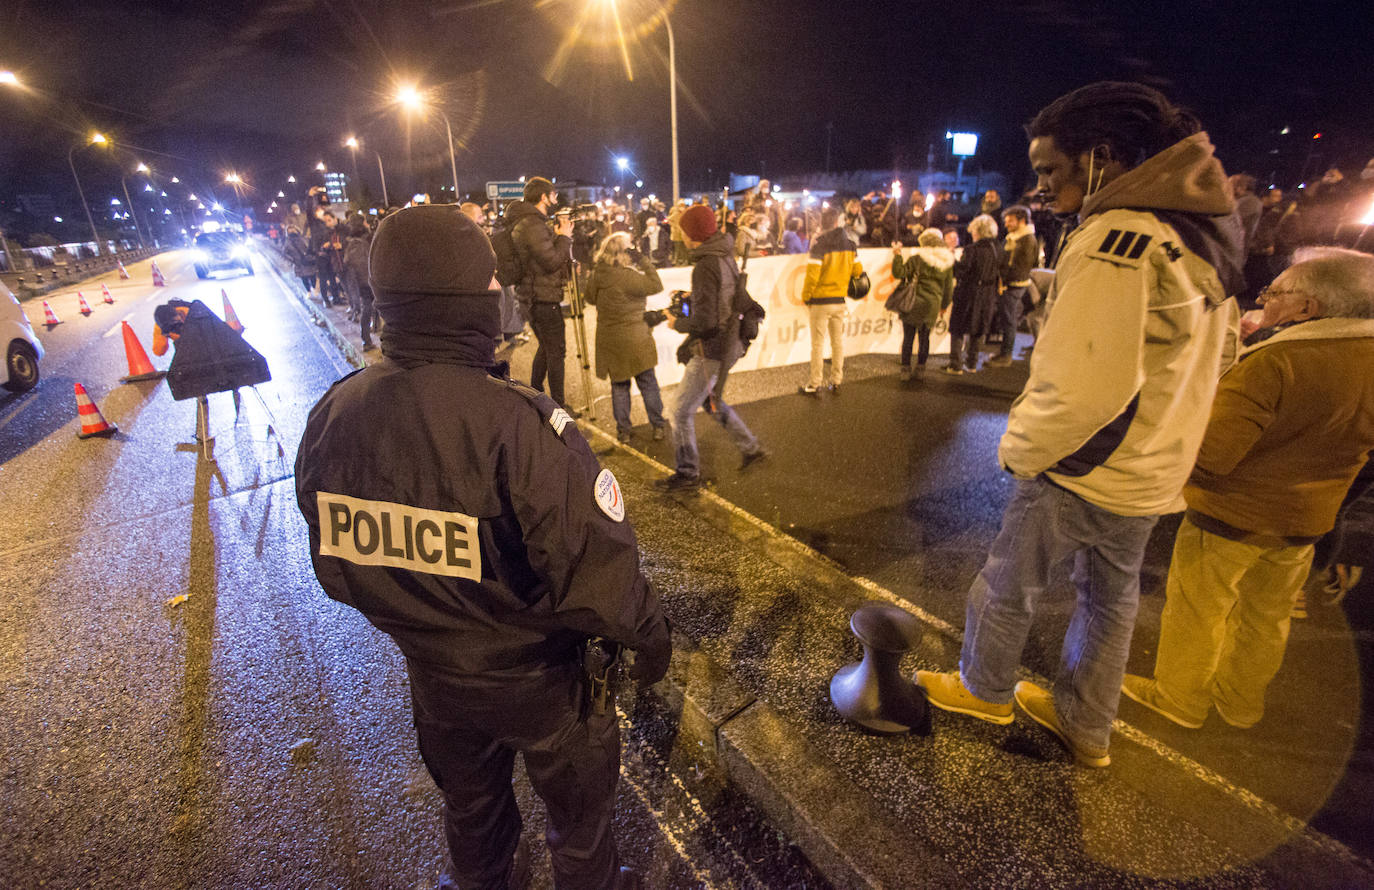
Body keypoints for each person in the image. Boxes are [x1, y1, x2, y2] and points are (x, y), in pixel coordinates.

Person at [294, 204, 669, 890]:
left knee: (472, 813)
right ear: (468, 300)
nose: (501, 291)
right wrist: (651, 638)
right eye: (492, 280)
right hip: (544, 682)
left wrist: (428, 623)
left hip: (434, 678)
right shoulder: (519, 425)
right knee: (580, 833)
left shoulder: (335, 414)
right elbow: (598, 574)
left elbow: (338, 568)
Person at [917, 81, 1244, 768]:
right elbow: (1221, 357)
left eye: (1049, 169)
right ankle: (1086, 723)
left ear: (1102, 156)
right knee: (1109, 603)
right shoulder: (1195, 233)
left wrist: (1019, 452)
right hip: (1153, 469)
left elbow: (1079, 383)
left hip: (1086, 465)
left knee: (1010, 582)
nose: (1040, 186)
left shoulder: (1114, 238)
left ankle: (984, 687)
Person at [1121, 247, 1374, 730]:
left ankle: (1180, 699)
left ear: (1308, 308)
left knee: (1198, 610)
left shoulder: (1277, 359)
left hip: (1233, 514)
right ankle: (1240, 704)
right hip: (1306, 521)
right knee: (1267, 616)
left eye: (1276, 292)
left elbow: (1215, 454)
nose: (1266, 299)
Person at [656, 204, 767, 491]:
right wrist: (695, 296)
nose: (679, 232)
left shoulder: (705, 264)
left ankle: (687, 472)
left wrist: (675, 323)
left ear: (692, 233)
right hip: (729, 343)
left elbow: (705, 321)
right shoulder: (723, 253)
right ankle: (751, 449)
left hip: (713, 348)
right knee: (710, 401)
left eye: (682, 228)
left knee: (679, 410)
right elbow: (724, 298)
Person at [585, 232, 669, 443]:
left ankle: (624, 431)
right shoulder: (630, 277)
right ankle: (658, 425)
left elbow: (589, 298)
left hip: (611, 341)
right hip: (637, 338)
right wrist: (642, 259)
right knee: (648, 382)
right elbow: (656, 285)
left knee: (619, 386)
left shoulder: (598, 276)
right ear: (626, 253)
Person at [506, 177, 577, 414]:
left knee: (547, 348)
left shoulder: (530, 223)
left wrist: (557, 237)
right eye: (554, 195)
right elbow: (551, 262)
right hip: (542, 299)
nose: (556, 199)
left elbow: (542, 258)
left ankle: (536, 394)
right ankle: (558, 406)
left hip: (535, 297)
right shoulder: (532, 225)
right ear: (544, 197)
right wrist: (565, 237)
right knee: (556, 351)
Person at [799, 206, 864, 396]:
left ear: (822, 224)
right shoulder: (851, 245)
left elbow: (812, 277)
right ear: (838, 222)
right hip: (839, 301)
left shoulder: (819, 245)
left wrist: (806, 297)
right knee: (837, 343)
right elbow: (857, 271)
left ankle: (814, 383)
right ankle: (836, 380)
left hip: (820, 302)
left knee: (817, 345)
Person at [890, 228, 955, 381]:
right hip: (932, 305)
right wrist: (944, 305)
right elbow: (948, 288)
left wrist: (897, 255)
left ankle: (905, 368)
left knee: (908, 337)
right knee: (925, 338)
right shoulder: (947, 263)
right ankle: (921, 368)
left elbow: (899, 273)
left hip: (913, 303)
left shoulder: (917, 259)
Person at [944, 214, 1001, 374]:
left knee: (958, 327)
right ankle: (972, 363)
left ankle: (955, 364)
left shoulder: (972, 250)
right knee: (978, 328)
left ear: (978, 231)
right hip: (988, 293)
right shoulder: (997, 248)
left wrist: (951, 257)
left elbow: (961, 271)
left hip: (969, 293)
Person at [987, 205, 1038, 367]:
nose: (1007, 224)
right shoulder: (1013, 237)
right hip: (1008, 285)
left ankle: (1006, 356)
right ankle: (1004, 353)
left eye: (1010, 221)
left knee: (1010, 320)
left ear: (1021, 221)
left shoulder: (1027, 240)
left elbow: (1022, 267)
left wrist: (1005, 280)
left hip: (1013, 286)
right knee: (1008, 319)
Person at [340, 217, 378, 350]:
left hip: (361, 281)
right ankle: (368, 339)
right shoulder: (363, 241)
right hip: (368, 280)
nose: (368, 224)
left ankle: (368, 337)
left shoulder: (352, 243)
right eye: (366, 222)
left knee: (369, 307)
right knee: (370, 307)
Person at [283, 225, 317, 294]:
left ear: (296, 229)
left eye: (293, 229)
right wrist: (292, 260)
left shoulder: (303, 238)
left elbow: (310, 247)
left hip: (308, 261)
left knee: (312, 276)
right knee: (304, 278)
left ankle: (314, 288)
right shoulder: (288, 242)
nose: (292, 231)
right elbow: (285, 253)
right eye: (289, 230)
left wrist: (311, 256)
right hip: (298, 263)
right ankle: (308, 291)